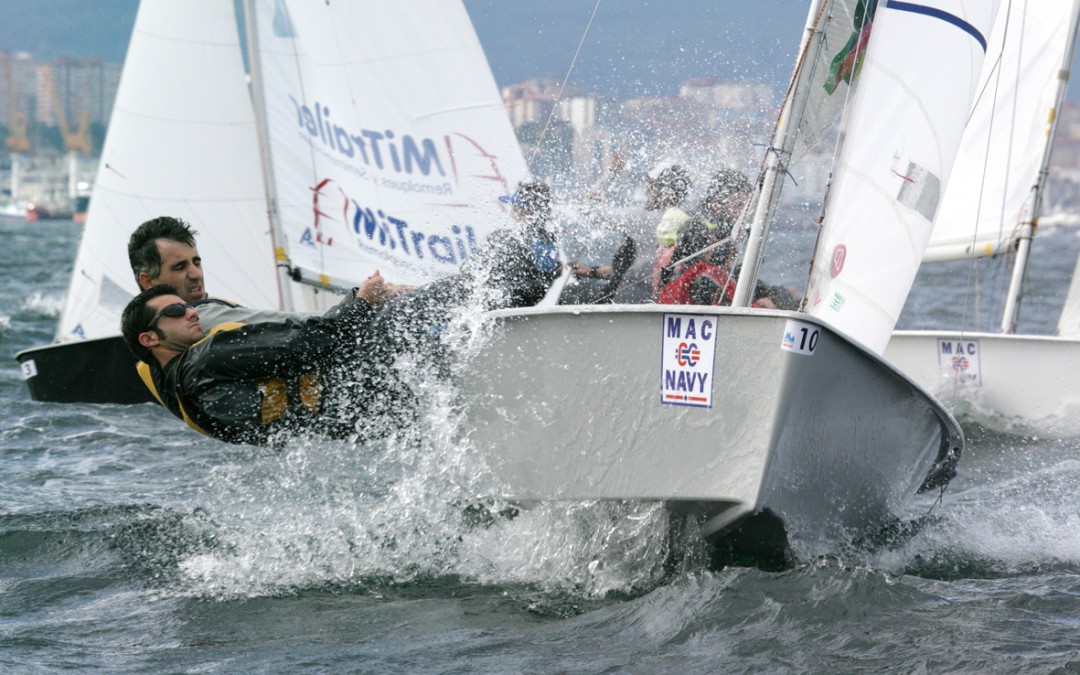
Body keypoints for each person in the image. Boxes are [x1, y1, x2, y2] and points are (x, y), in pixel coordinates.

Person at [121, 276, 408, 445]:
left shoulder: (180, 391)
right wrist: (364, 300)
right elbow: (317, 341)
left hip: (375, 421)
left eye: (188, 307)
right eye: (175, 310)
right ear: (149, 340)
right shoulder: (209, 356)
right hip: (386, 365)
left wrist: (356, 300)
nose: (193, 313)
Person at [128, 216, 311, 329]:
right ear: (148, 281)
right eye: (180, 267)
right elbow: (290, 325)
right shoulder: (194, 323)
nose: (195, 274)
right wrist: (336, 318)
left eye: (196, 263)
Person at [645, 164, 693, 296]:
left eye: (650, 187)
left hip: (652, 298)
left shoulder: (646, 219)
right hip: (667, 297)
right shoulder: (686, 217)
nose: (647, 192)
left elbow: (592, 212)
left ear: (667, 193)